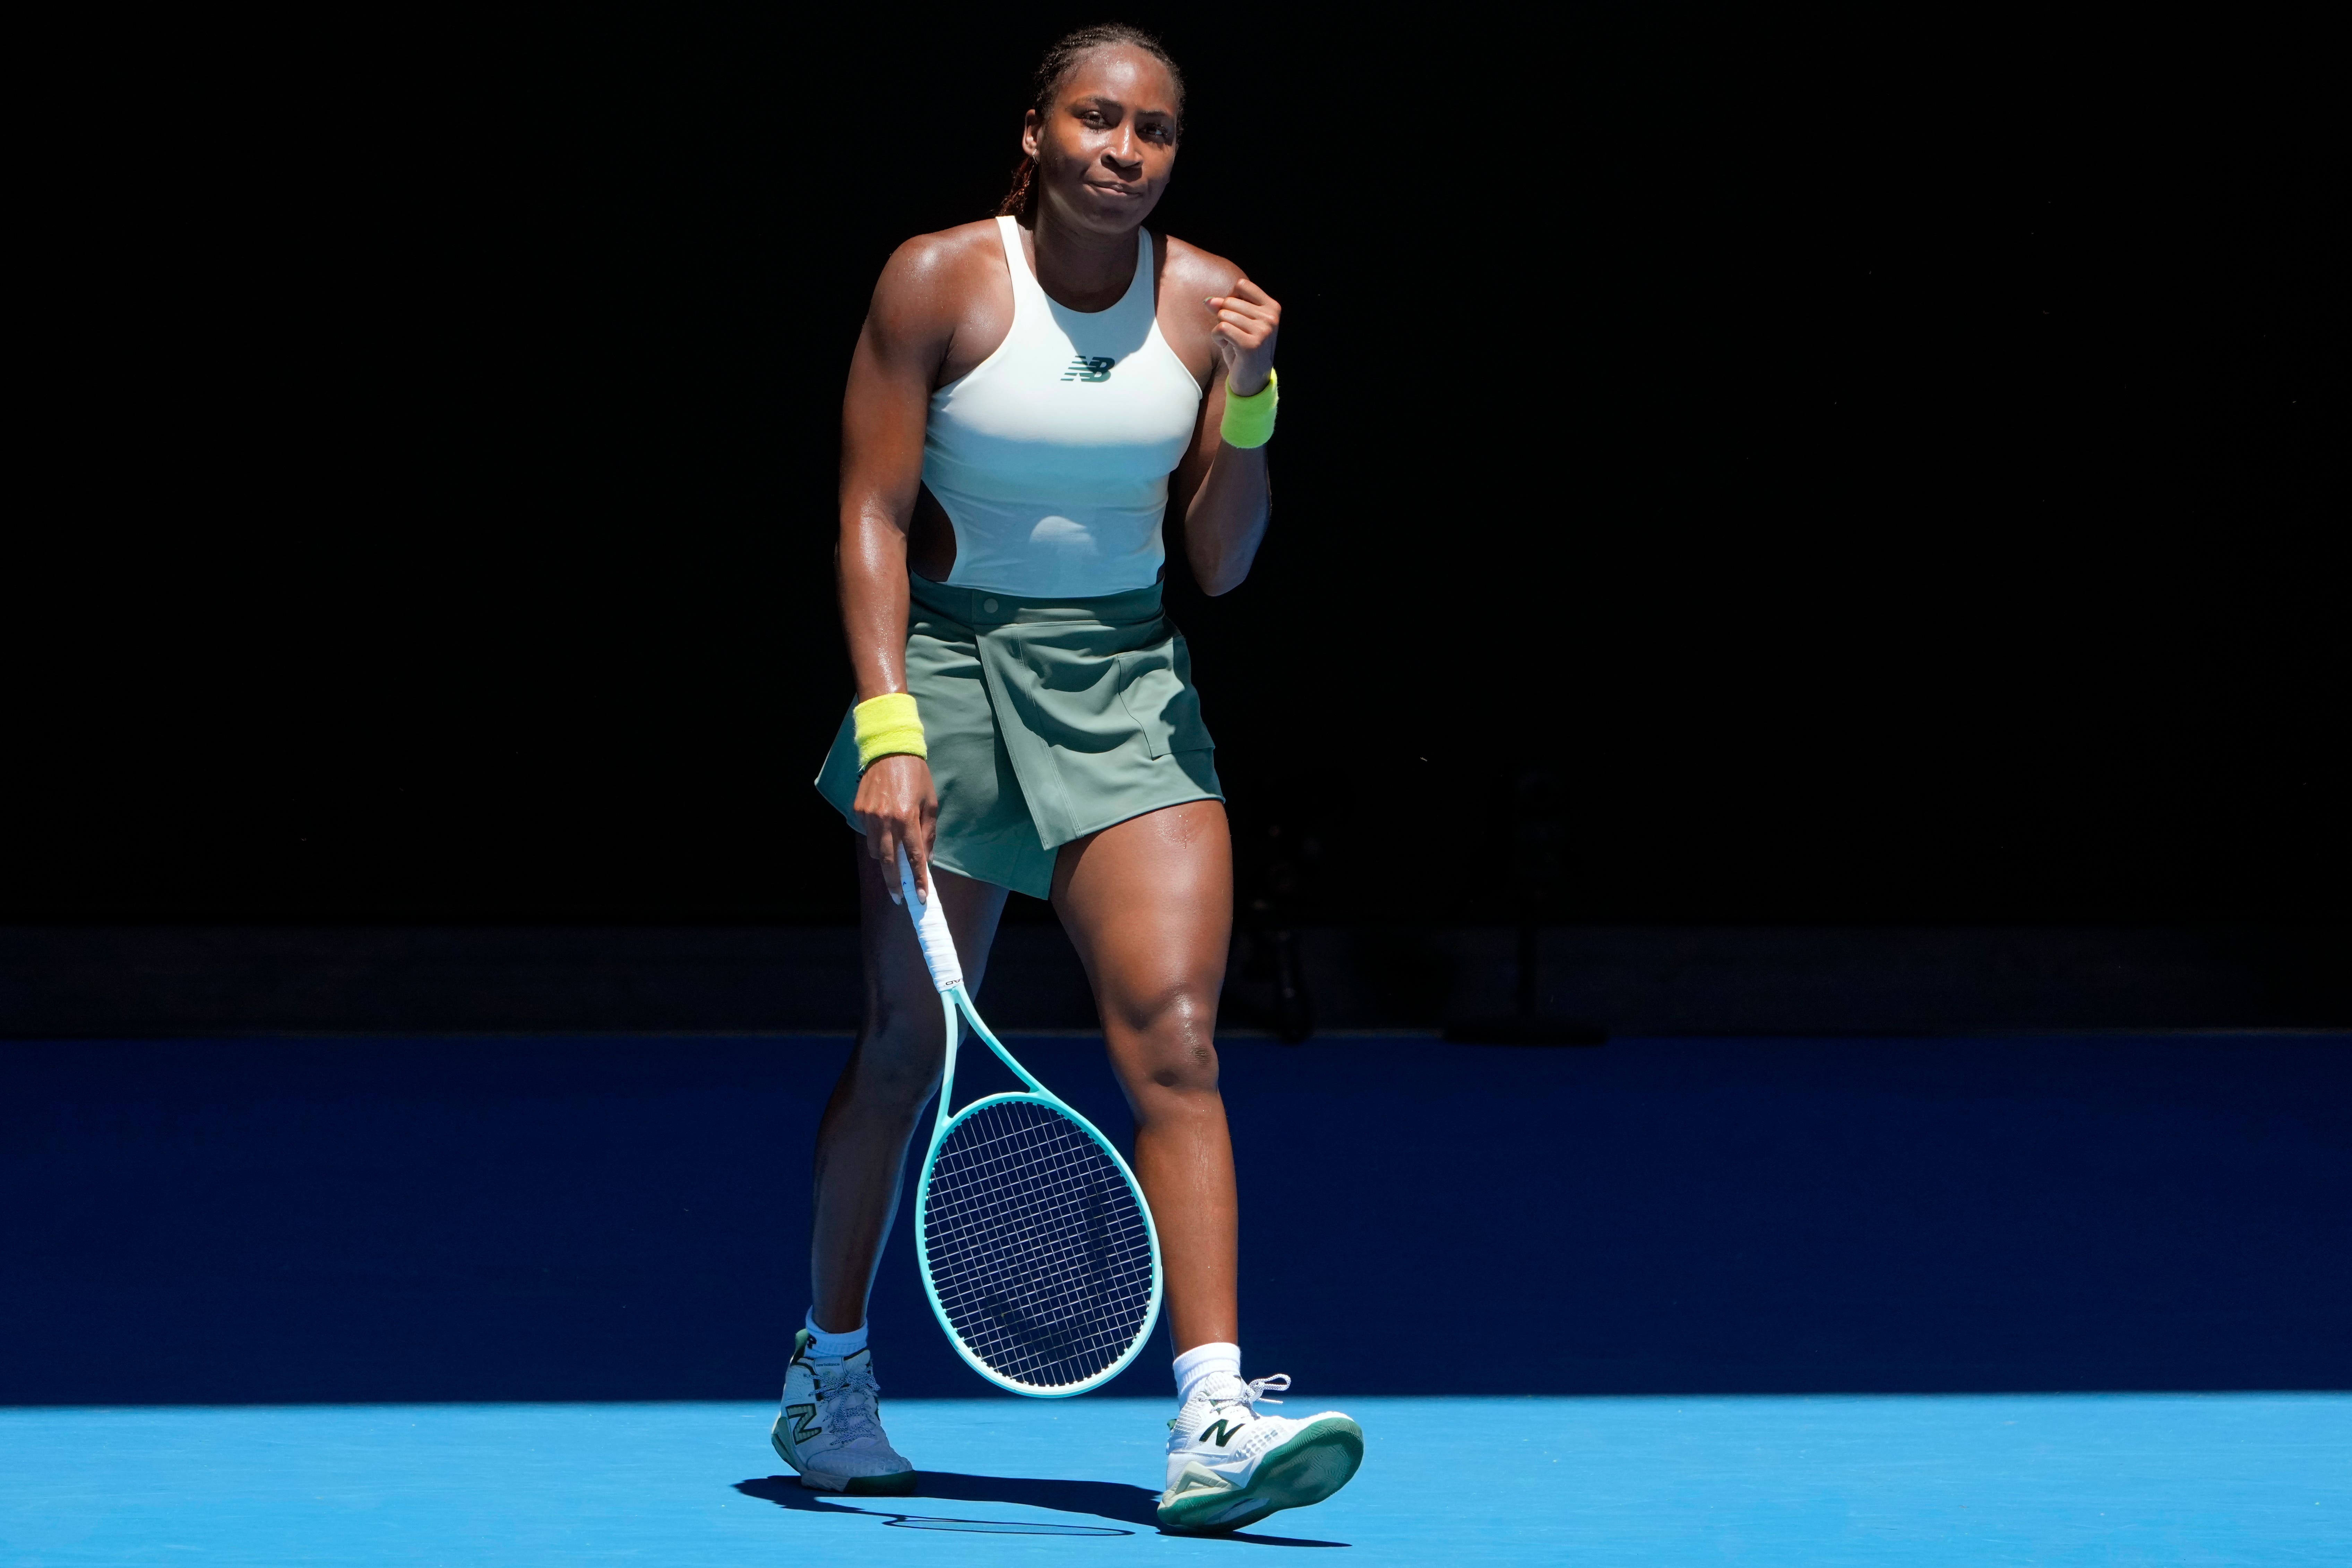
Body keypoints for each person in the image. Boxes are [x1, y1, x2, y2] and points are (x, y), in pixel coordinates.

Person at [770, 23, 1363, 1535]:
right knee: (904, 1047)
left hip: (1128, 688)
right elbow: (870, 513)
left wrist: (1252, 395)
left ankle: (1216, 1416)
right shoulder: (940, 281)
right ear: (1034, 132)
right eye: (1096, 120)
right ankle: (831, 1372)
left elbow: (1219, 565)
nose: (1124, 151)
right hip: (950, 678)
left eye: (1153, 132)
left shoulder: (1209, 303)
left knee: (1175, 1036)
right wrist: (889, 729)